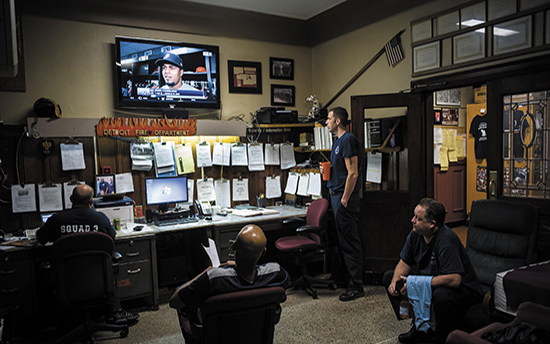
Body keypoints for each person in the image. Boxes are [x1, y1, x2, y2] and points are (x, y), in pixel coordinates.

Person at [383, 198, 483, 344]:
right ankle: (420, 328)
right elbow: (404, 262)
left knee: (440, 295)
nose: (412, 220)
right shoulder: (415, 234)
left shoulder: (446, 240)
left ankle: (441, 337)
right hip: (432, 281)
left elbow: (455, 279)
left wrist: (418, 283)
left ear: (432, 224)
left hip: (464, 290)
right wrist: (394, 282)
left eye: (418, 218)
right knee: (389, 277)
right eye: (414, 216)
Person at [37, 184, 139, 325]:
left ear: (71, 199)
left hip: (66, 282)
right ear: (91, 201)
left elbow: (41, 239)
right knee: (108, 264)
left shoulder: (57, 220)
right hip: (97, 280)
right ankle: (116, 312)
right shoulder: (100, 219)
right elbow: (111, 240)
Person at [170, 224, 289, 344]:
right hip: (255, 334)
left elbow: (174, 301)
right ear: (264, 252)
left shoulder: (213, 278)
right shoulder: (277, 273)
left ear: (234, 246)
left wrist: (207, 271)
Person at [319, 106, 364, 302]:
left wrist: (345, 198)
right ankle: (345, 279)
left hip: (344, 198)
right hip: (335, 194)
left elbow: (352, 173)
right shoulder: (337, 142)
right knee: (341, 241)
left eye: (329, 119)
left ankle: (357, 285)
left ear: (338, 121)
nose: (326, 122)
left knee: (349, 242)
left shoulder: (348, 140)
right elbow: (342, 171)